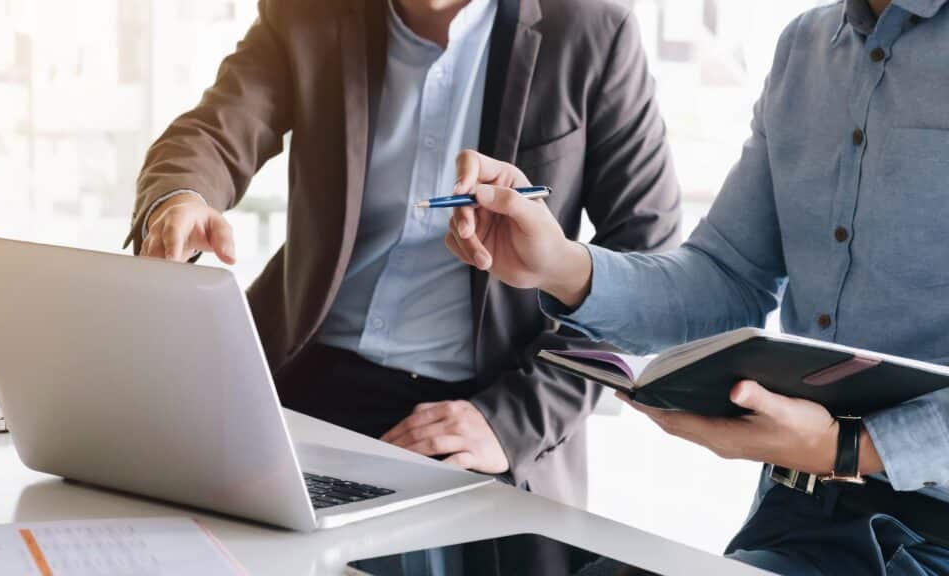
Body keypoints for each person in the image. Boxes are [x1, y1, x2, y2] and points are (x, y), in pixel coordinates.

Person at [443, 0, 949, 572]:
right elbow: (729, 276)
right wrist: (560, 264)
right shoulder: (805, 48)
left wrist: (850, 447)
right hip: (802, 515)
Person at [126, 0, 681, 505]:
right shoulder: (307, 11)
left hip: (486, 408)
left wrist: (513, 422)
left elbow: (646, 264)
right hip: (302, 381)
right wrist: (182, 197)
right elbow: (215, 131)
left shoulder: (592, 28)